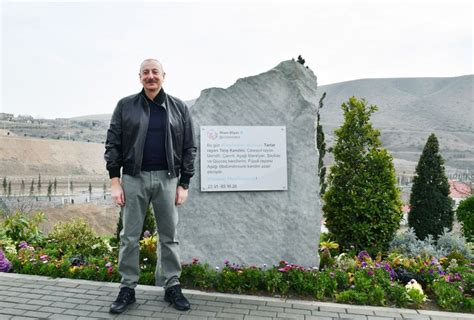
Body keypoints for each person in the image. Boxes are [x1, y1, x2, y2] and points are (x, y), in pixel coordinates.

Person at [104, 58, 196, 314]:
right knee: (129, 237)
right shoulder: (125, 106)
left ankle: (172, 286)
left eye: (155, 72)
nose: (150, 76)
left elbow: (189, 148)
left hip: (168, 179)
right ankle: (127, 288)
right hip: (134, 178)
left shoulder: (179, 108)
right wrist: (115, 181)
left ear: (164, 75)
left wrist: (184, 183)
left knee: (169, 236)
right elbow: (113, 143)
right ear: (140, 77)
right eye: (146, 72)